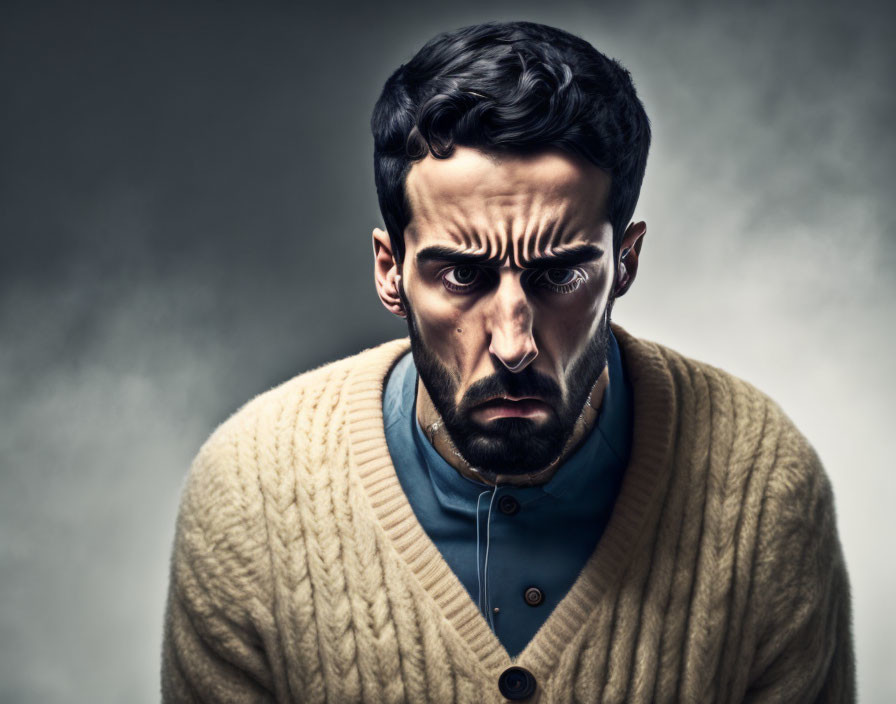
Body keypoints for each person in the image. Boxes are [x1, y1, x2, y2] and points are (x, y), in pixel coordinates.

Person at [161, 20, 855, 703]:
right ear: (390, 271)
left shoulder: (762, 485)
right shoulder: (251, 491)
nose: (514, 342)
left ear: (626, 262)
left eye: (560, 276)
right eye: (462, 276)